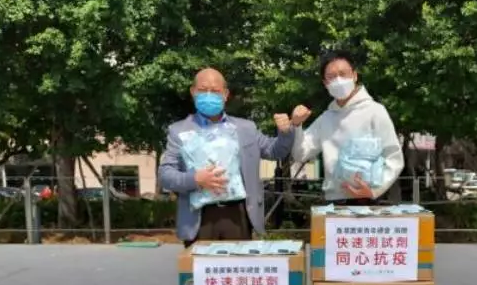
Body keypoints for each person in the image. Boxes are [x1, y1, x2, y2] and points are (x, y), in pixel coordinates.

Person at [159, 68, 296, 246]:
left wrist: (286, 132)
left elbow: (275, 151)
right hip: (198, 217)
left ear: (225, 94)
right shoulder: (178, 131)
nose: (209, 95)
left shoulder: (245, 129)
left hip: (238, 213)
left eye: (215, 91)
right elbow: (165, 175)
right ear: (193, 92)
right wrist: (195, 179)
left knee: (237, 263)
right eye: (203, 90)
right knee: (200, 264)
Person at [290, 50, 404, 205]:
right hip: (334, 201)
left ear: (354, 75)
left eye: (343, 74)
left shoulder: (375, 111)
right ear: (325, 83)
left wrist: (375, 191)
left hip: (367, 200)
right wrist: (296, 125)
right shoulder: (326, 118)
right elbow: (300, 154)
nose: (338, 80)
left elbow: (394, 156)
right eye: (331, 76)